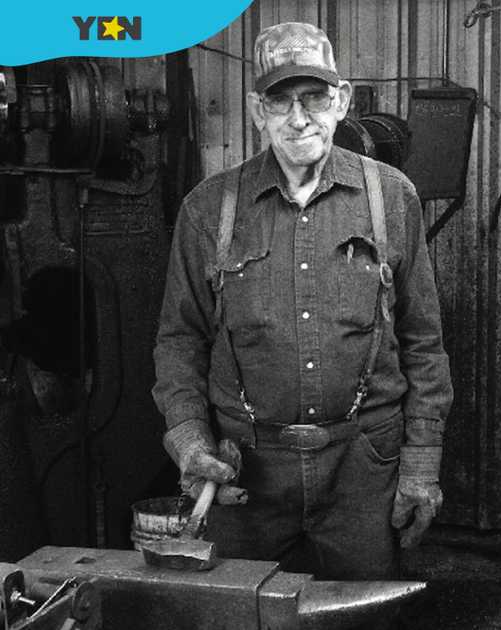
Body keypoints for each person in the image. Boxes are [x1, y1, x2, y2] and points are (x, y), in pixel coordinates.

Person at [151, 21, 452, 580]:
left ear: (339, 102)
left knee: (360, 616)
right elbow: (179, 343)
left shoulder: (392, 198)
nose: (298, 117)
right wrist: (191, 444)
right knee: (246, 615)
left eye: (313, 97)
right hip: (245, 470)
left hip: (365, 467)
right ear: (256, 110)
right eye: (279, 99)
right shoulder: (207, 210)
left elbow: (423, 344)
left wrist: (420, 464)